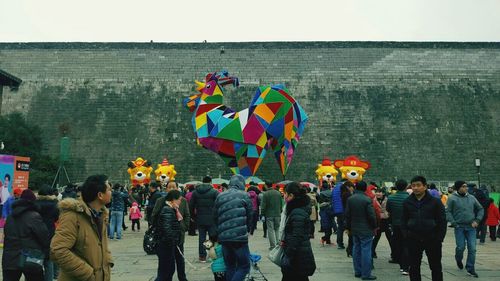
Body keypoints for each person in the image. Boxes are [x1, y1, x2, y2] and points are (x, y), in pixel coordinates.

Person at [50, 174, 113, 281]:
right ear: (100, 195)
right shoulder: (73, 216)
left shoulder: (101, 215)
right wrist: (87, 273)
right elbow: (58, 250)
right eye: (109, 190)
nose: (111, 192)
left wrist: (107, 260)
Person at [401, 176, 446, 281]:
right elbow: (403, 220)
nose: (416, 188)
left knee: (435, 266)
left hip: (432, 238)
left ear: (425, 186)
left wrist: (439, 237)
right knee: (414, 266)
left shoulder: (435, 202)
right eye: (413, 185)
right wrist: (406, 234)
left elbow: (442, 220)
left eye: (418, 185)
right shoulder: (407, 202)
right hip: (413, 238)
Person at [2, 189, 49, 281]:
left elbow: (6, 235)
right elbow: (44, 237)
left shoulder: (10, 217)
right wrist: (46, 252)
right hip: (31, 258)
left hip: (10, 258)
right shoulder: (34, 216)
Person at [214, 174, 253, 281]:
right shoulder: (245, 195)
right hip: (239, 237)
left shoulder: (220, 196)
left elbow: (215, 216)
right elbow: (250, 215)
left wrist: (219, 232)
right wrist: (248, 229)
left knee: (230, 266)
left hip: (224, 237)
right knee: (244, 266)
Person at [446, 180, 484, 278]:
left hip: (471, 227)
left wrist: (477, 220)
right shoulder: (452, 198)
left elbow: (480, 209)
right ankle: (458, 259)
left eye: (466, 186)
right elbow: (448, 211)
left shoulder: (471, 198)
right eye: (463, 186)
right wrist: (454, 223)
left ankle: (470, 268)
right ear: (458, 188)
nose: (466, 188)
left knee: (472, 248)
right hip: (459, 227)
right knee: (460, 247)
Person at [281, 182, 316, 281]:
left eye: (285, 193)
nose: (284, 196)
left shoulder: (297, 212)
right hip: (299, 253)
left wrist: (288, 254)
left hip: (297, 255)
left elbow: (296, 236)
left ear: (291, 195)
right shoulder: (297, 209)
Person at [345, 181, 377, 280]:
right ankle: (366, 274)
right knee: (366, 250)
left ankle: (357, 271)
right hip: (366, 229)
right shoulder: (367, 199)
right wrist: (374, 226)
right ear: (364, 189)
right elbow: (371, 216)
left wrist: (348, 227)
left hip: (354, 228)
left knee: (356, 249)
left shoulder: (350, 199)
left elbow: (347, 215)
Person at [153, 189, 182, 281]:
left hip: (167, 244)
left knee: (167, 270)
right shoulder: (167, 210)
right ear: (173, 200)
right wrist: (174, 239)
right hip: (166, 245)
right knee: (166, 271)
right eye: (179, 199)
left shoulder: (170, 209)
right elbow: (167, 229)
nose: (180, 201)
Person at [189, 176, 218, 262]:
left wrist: (193, 216)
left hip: (200, 218)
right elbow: (218, 204)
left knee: (202, 238)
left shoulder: (195, 192)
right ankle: (212, 254)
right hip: (212, 218)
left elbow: (191, 205)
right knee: (212, 237)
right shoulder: (214, 192)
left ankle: (202, 256)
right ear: (210, 182)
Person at [34, 185, 60, 281]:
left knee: (37, 261)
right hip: (50, 233)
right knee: (49, 261)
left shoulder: (35, 204)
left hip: (36, 233)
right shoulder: (55, 204)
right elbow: (57, 218)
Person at [386, 179, 410, 274]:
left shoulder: (391, 198)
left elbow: (388, 210)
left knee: (398, 245)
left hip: (395, 225)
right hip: (407, 225)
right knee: (406, 245)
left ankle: (401, 265)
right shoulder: (409, 198)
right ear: (406, 187)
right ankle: (405, 267)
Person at [261, 181, 283, 250]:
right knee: (277, 229)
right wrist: (280, 211)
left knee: (270, 230)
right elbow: (281, 203)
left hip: (269, 214)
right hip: (277, 214)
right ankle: (278, 244)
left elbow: (263, 206)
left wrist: (262, 214)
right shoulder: (278, 193)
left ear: (266, 185)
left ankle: (272, 246)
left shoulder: (266, 194)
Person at [372, 188, 393, 261]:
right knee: (376, 237)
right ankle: (372, 252)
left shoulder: (388, 200)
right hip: (378, 220)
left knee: (390, 238)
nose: (377, 193)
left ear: (383, 193)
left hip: (386, 220)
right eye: (376, 192)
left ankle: (394, 253)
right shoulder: (373, 200)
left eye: (379, 192)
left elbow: (390, 209)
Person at [331, 181, 347, 249]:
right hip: (343, 210)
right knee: (348, 226)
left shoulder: (335, 188)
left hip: (337, 211)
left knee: (340, 227)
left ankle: (340, 244)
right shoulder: (344, 187)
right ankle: (351, 245)